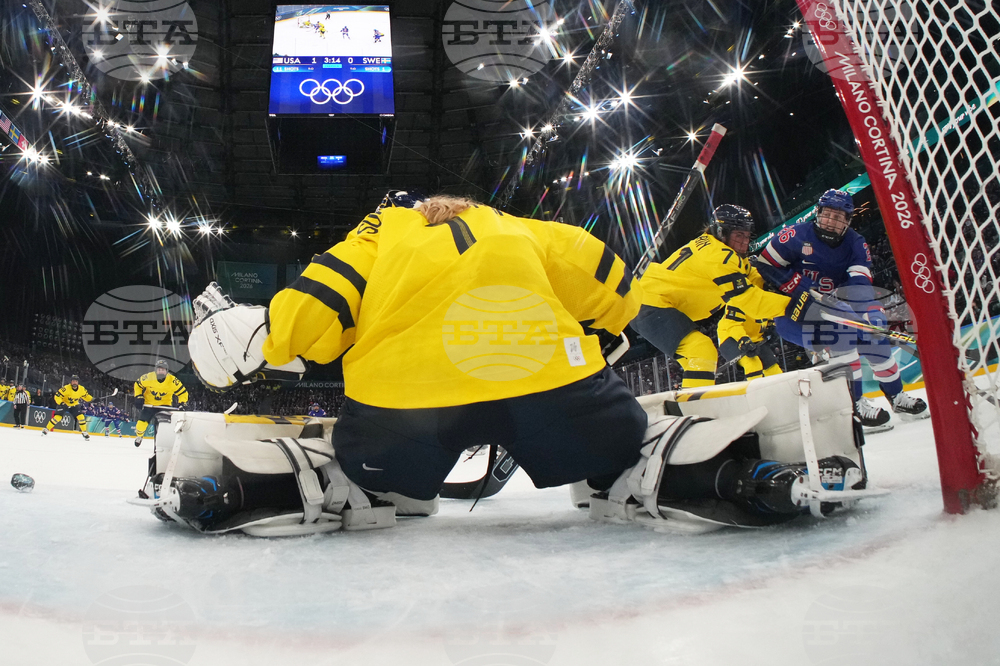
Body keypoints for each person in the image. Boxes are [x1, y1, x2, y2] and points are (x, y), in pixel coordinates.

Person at [179, 193, 861, 535]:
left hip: (404, 410)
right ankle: (712, 473)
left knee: (371, 477)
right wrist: (598, 328)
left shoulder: (383, 228)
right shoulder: (519, 226)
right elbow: (620, 292)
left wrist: (270, 341)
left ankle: (296, 490)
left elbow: (310, 320)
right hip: (551, 387)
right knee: (617, 446)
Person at [756, 189, 928, 429]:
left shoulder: (855, 243)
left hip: (832, 306)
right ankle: (853, 405)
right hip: (791, 312)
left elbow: (859, 284)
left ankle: (896, 396)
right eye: (827, 214)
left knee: (875, 339)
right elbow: (761, 265)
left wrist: (867, 312)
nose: (830, 221)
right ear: (818, 213)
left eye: (838, 218)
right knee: (840, 338)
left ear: (848, 221)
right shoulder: (794, 235)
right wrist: (799, 287)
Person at [632, 204, 796, 388]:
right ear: (721, 232)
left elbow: (752, 276)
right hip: (650, 300)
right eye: (738, 235)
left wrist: (772, 284)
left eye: (747, 235)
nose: (744, 242)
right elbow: (751, 302)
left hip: (653, 299)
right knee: (701, 350)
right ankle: (697, 407)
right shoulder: (719, 256)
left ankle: (693, 403)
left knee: (698, 364)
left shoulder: (721, 250)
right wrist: (794, 305)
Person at [133, 360, 189, 447]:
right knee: (141, 425)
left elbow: (183, 393)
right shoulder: (148, 377)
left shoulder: (173, 381)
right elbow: (138, 385)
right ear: (155, 370)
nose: (161, 371)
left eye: (163, 370)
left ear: (167, 371)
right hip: (149, 405)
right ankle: (139, 436)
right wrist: (139, 396)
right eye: (159, 369)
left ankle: (162, 443)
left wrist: (182, 403)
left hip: (164, 406)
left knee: (163, 427)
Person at [717, 306, 781, 381]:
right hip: (731, 336)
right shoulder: (736, 301)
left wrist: (771, 325)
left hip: (754, 337)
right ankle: (755, 390)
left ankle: (781, 389)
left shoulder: (764, 298)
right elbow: (732, 325)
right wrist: (743, 340)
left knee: (771, 364)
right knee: (753, 364)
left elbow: (770, 311)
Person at [41, 375, 93, 439]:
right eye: (73, 381)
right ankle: (46, 429)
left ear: (78, 382)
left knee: (81, 417)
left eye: (76, 381)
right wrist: (61, 402)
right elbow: (57, 396)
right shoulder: (66, 388)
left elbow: (86, 396)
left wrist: (93, 399)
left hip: (74, 405)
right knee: (58, 417)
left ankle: (84, 432)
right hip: (64, 404)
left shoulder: (81, 389)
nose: (74, 382)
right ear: (71, 382)